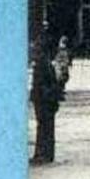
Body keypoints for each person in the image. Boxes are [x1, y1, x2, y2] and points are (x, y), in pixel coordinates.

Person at [30, 35, 67, 164]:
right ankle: (46, 154)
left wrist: (42, 96)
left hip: (44, 99)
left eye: (36, 48)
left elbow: (42, 84)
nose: (33, 51)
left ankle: (42, 155)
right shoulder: (46, 62)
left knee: (43, 127)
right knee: (47, 127)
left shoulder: (41, 63)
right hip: (47, 98)